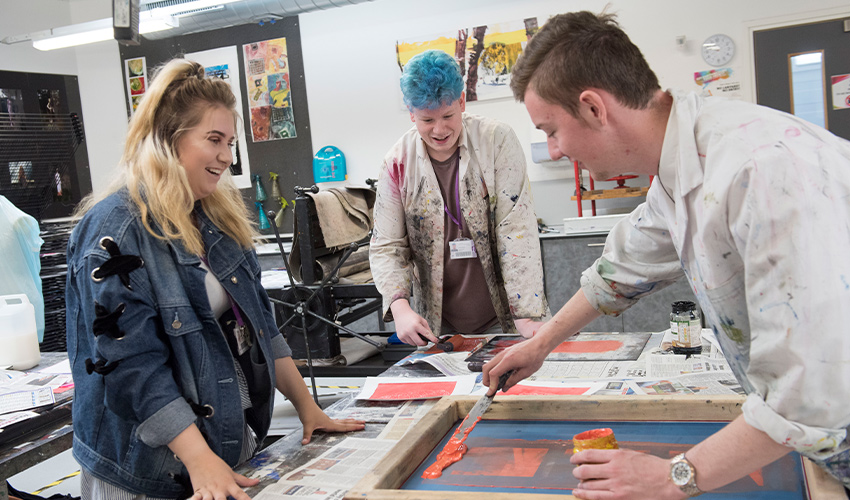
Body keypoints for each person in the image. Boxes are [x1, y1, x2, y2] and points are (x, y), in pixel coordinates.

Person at [482, 10, 850, 499]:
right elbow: (620, 271)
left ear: (594, 108)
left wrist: (670, 476)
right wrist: (541, 343)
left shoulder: (761, 172)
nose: (552, 150)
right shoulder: (684, 165)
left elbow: (810, 393)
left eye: (551, 129)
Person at [66, 58, 364, 500]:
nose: (227, 156)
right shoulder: (116, 232)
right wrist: (198, 459)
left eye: (230, 142)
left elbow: (260, 327)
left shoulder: (215, 218)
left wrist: (308, 409)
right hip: (152, 469)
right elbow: (132, 368)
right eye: (214, 140)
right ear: (168, 139)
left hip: (226, 443)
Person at [369, 50, 549, 346]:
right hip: (438, 327)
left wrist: (527, 316)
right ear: (411, 112)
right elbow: (388, 245)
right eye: (427, 120)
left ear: (462, 102)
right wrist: (400, 309)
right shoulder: (397, 163)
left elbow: (516, 229)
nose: (439, 130)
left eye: (448, 116)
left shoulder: (496, 141)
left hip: (508, 319)